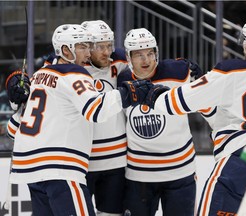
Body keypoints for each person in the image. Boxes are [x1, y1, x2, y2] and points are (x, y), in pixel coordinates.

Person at [140, 18, 246, 215]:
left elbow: (180, 101)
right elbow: (226, 116)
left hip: (242, 156)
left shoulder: (233, 71)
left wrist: (155, 96)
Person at [5, 24, 149, 216]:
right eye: (82, 47)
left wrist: (15, 102)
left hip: (32, 171)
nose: (89, 52)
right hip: (60, 170)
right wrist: (128, 93)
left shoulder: (39, 76)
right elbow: (95, 110)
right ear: (66, 50)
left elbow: (12, 130)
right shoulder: (73, 73)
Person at [117, 28, 203, 216]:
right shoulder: (121, 79)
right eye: (138, 55)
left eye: (150, 53)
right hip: (139, 175)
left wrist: (197, 76)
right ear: (128, 57)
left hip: (180, 171)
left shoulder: (178, 71)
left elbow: (206, 98)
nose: (146, 60)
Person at [81, 20, 129, 216]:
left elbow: (150, 63)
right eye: (100, 47)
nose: (107, 52)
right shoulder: (72, 67)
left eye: (109, 45)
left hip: (116, 160)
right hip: (84, 159)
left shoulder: (119, 61)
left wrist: (181, 65)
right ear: (87, 47)